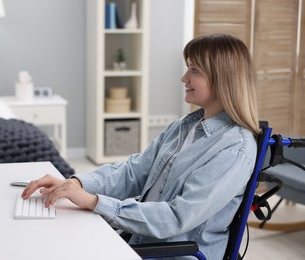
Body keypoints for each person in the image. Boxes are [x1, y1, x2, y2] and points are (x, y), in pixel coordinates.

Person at [22, 33, 260, 259]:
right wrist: (76, 184)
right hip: (142, 241)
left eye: (194, 70)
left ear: (222, 78)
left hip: (173, 255)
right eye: (187, 67)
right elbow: (133, 172)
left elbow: (177, 217)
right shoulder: (183, 127)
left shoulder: (235, 149)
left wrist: (93, 202)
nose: (184, 78)